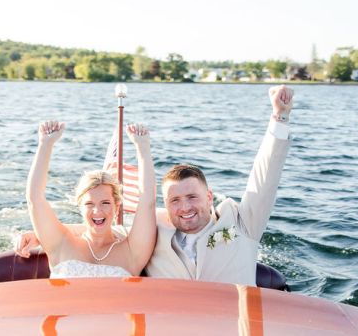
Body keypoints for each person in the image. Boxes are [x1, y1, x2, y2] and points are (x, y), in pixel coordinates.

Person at [19, 85, 293, 285]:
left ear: (209, 196)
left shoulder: (241, 224)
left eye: (192, 197)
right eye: (174, 201)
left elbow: (265, 178)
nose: (184, 208)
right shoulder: (160, 229)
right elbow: (111, 222)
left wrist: (279, 118)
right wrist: (41, 233)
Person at [26, 120, 156, 278]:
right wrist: (45, 144)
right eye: (89, 204)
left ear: (117, 205)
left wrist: (143, 147)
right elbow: (35, 198)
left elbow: (147, 201)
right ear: (79, 206)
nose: (97, 211)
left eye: (105, 203)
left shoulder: (131, 251)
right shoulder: (61, 243)